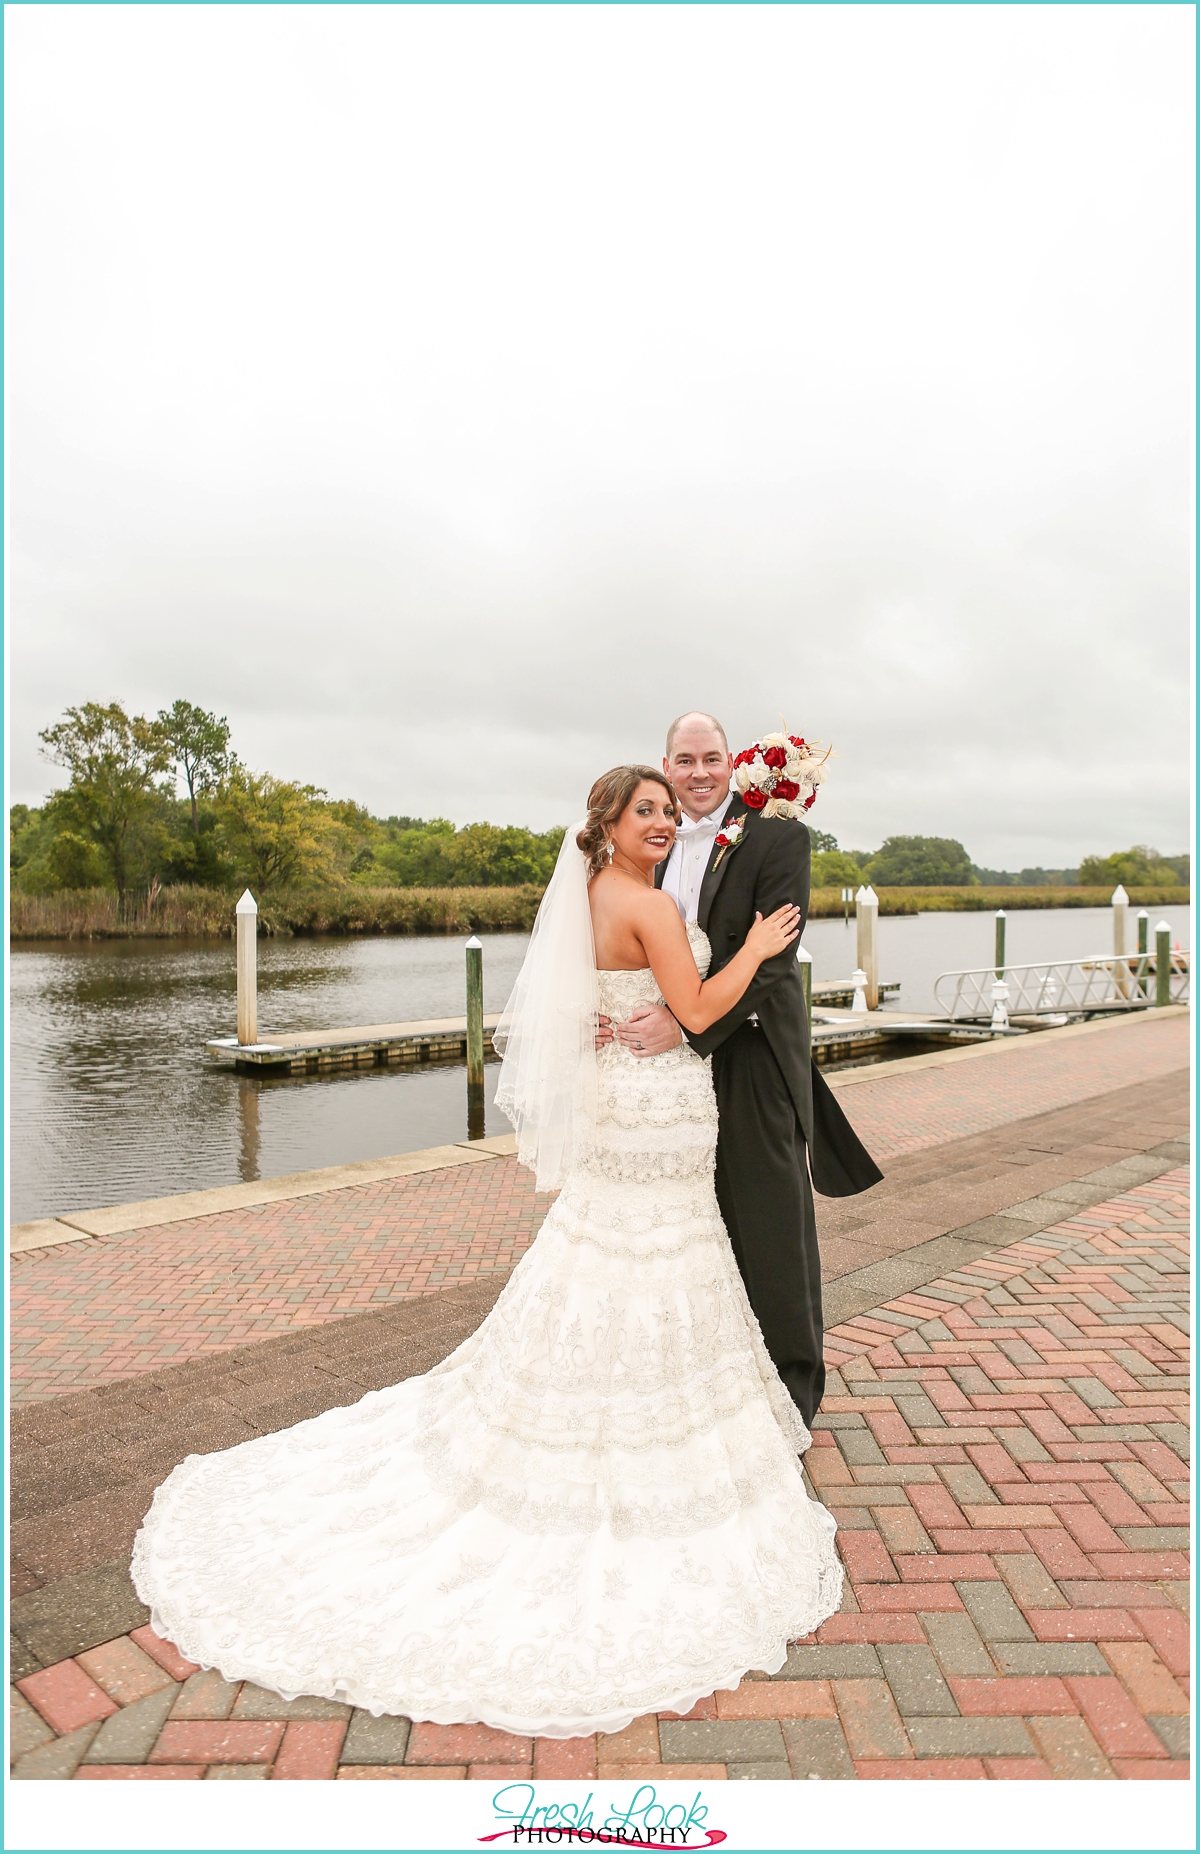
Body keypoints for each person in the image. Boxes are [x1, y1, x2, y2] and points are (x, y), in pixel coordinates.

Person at [131, 764, 844, 1738]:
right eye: (647, 811)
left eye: (669, 813)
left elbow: (598, 1005)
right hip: (659, 1111)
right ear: (607, 824)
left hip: (621, 1108)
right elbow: (704, 1009)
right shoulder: (645, 903)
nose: (663, 822)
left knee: (614, 1256)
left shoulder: (593, 897)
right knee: (659, 1256)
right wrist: (757, 943)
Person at [604, 712, 882, 1428]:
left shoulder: (780, 837)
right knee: (700, 1226)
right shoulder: (653, 844)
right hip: (672, 1071)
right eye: (684, 761)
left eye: (711, 759)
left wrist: (686, 1023)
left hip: (751, 1053)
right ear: (666, 765)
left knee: (770, 1226)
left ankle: (793, 1396)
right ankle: (713, 1387)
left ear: (733, 764)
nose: (698, 774)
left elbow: (774, 962)